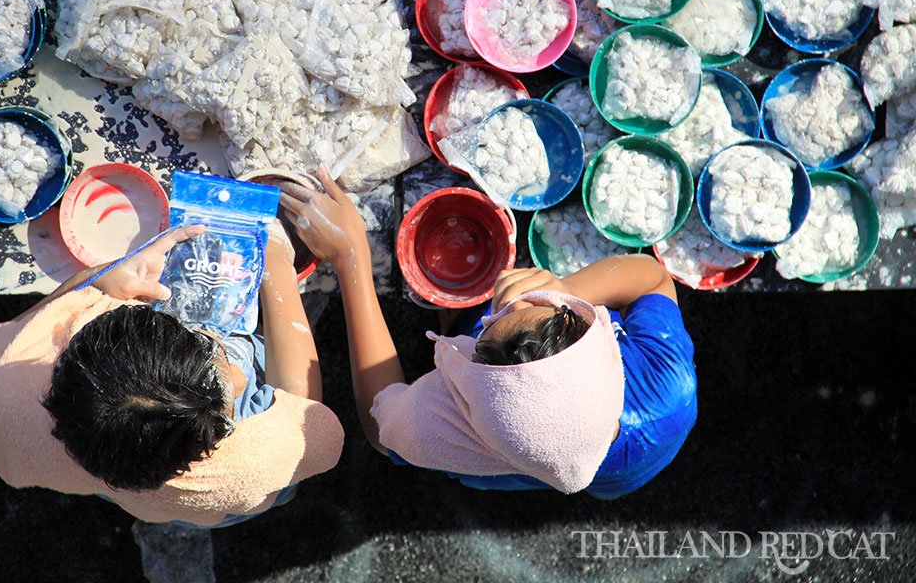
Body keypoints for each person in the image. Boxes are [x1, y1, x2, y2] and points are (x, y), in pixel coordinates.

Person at [278, 169, 696, 499]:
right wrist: (567, 292)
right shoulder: (668, 380)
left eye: (487, 327)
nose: (502, 294)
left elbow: (380, 424)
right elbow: (655, 280)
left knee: (605, 484)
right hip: (634, 438)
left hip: (616, 462)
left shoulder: (460, 433)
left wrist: (352, 258)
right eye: (535, 308)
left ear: (471, 394)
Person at [0, 221, 344, 528]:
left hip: (81, 469)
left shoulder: (0, 383)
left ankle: (157, 518)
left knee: (152, 501)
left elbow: (19, 331)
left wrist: (98, 281)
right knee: (261, 491)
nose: (233, 371)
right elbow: (305, 411)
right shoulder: (263, 462)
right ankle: (179, 533)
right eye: (218, 367)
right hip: (226, 502)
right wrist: (278, 273)